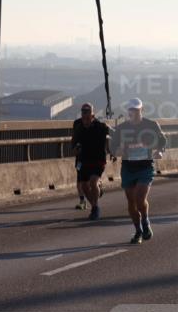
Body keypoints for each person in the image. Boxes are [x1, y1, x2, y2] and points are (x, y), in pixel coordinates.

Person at [109, 98, 167, 244]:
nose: (133, 112)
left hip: (145, 167)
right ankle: (138, 231)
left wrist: (160, 151)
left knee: (140, 199)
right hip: (128, 168)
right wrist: (117, 151)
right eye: (131, 110)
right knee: (131, 202)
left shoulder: (151, 125)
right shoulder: (122, 128)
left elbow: (162, 140)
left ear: (142, 110)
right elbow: (112, 146)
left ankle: (146, 222)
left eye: (136, 110)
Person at [70, 103, 111, 220]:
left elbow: (113, 136)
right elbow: (73, 144)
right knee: (83, 186)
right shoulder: (78, 127)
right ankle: (94, 205)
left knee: (93, 182)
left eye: (88, 116)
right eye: (83, 116)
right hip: (83, 160)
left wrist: (112, 150)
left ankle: (95, 207)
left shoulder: (101, 127)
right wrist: (75, 149)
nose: (85, 119)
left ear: (93, 116)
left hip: (98, 160)